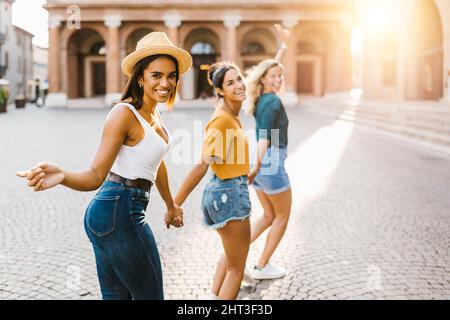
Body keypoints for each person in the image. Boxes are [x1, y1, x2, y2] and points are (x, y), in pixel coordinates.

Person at [16, 32, 191, 300]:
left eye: (171, 75)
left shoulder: (153, 114)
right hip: (119, 212)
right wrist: (62, 175)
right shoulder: (124, 114)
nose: (165, 82)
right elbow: (96, 174)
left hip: (114, 213)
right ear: (141, 77)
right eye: (157, 75)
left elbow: (158, 163)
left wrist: (170, 205)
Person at [174, 62, 251, 300]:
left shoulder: (231, 115)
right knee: (236, 269)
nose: (238, 85)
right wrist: (175, 203)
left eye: (239, 78)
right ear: (219, 91)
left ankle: (213, 296)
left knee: (231, 258)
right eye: (230, 83)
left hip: (226, 189)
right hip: (229, 193)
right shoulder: (223, 120)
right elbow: (201, 164)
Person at [244, 26, 292, 280]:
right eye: (273, 76)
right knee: (282, 216)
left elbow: (274, 67)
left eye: (279, 77)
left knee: (269, 215)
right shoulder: (272, 102)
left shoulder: (261, 98)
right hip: (270, 163)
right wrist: (256, 166)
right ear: (263, 78)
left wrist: (282, 48)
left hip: (264, 166)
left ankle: (238, 254)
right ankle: (262, 266)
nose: (277, 80)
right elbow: (264, 137)